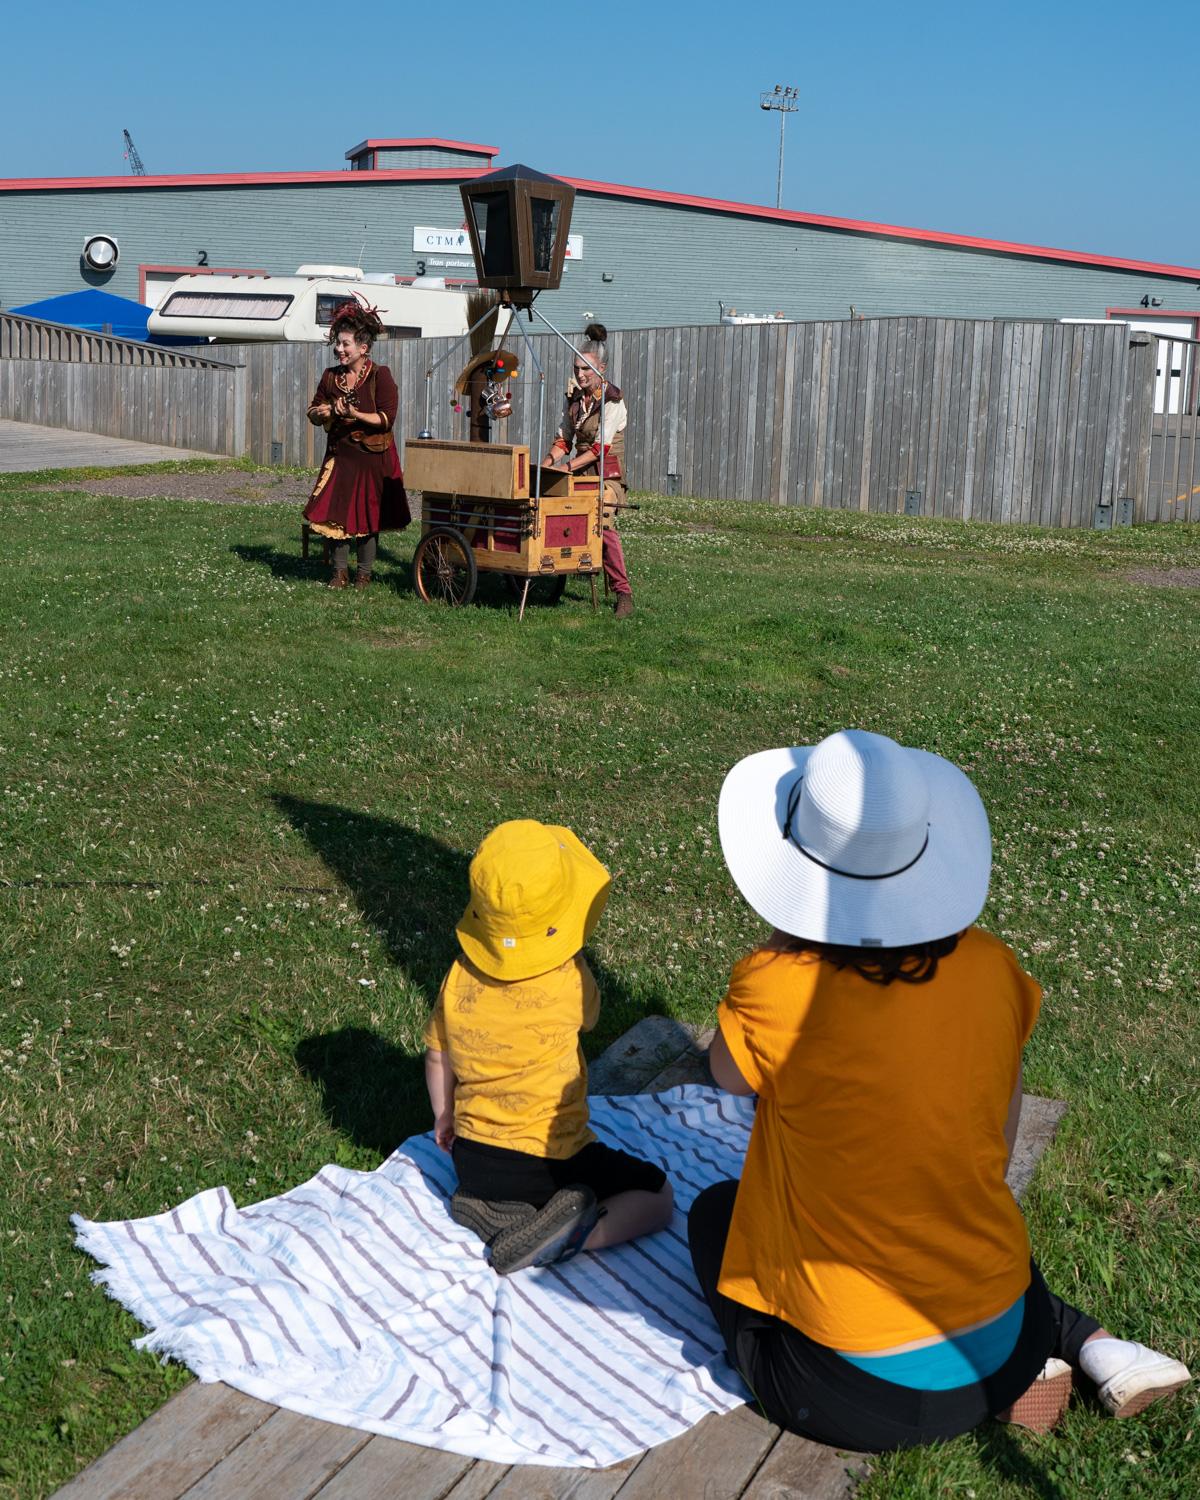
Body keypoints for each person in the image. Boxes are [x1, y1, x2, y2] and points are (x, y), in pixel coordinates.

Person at [688, 729, 1191, 1452]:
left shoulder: (773, 986)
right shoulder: (992, 967)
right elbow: (1000, 1134)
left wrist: (778, 945)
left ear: (794, 862)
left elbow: (725, 1074)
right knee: (959, 1218)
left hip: (854, 1396)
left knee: (716, 1214)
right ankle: (1079, 1345)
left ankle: (1048, 1355)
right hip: (1002, 1336)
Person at [424, 819, 674, 1275]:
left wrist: (444, 1117)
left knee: (509, 1189)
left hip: (470, 1158)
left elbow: (438, 1055)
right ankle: (568, 1237)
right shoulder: (569, 978)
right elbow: (590, 1018)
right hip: (552, 1161)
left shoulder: (458, 974)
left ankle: (491, 1208)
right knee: (658, 1196)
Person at [303, 300, 410, 589]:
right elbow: (313, 410)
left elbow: (386, 419)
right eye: (338, 343)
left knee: (367, 517)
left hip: (373, 458)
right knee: (335, 515)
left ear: (363, 348)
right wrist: (323, 413)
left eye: (345, 344)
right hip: (340, 456)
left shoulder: (380, 375)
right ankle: (339, 573)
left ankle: (364, 574)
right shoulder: (330, 377)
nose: (339, 349)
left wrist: (354, 414)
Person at [542, 323, 635, 619]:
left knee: (602, 522)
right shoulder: (574, 401)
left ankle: (623, 593)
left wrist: (565, 467)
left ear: (601, 369)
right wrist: (545, 466)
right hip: (579, 475)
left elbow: (598, 450)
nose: (580, 374)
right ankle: (548, 570)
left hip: (607, 478)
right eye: (576, 368)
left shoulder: (613, 401)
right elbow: (563, 440)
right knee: (545, 506)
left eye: (586, 369)